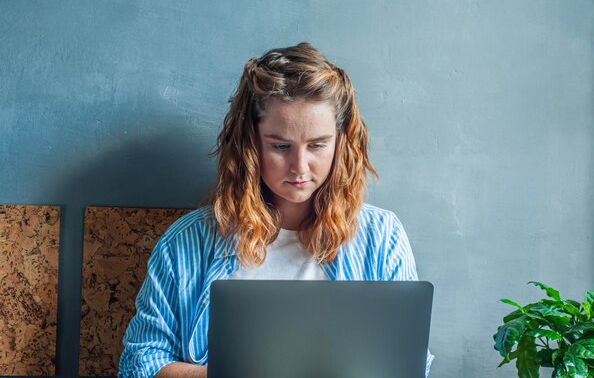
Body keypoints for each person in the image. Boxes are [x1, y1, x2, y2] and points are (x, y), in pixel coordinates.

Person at [118, 42, 433, 378]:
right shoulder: (187, 243)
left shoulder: (381, 237)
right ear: (250, 143)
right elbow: (139, 365)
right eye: (280, 146)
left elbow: (411, 364)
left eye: (317, 145)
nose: (300, 167)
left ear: (341, 143)